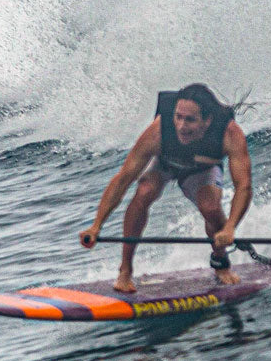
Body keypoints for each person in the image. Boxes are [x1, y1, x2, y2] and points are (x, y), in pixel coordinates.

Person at [80, 84, 253, 293]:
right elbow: (123, 178)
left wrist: (230, 227)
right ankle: (125, 270)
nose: (181, 126)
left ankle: (219, 261)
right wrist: (97, 225)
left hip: (202, 170)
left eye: (190, 120)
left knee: (210, 207)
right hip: (166, 164)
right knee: (144, 190)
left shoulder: (229, 133)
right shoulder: (158, 132)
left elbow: (243, 186)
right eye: (178, 117)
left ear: (207, 121)